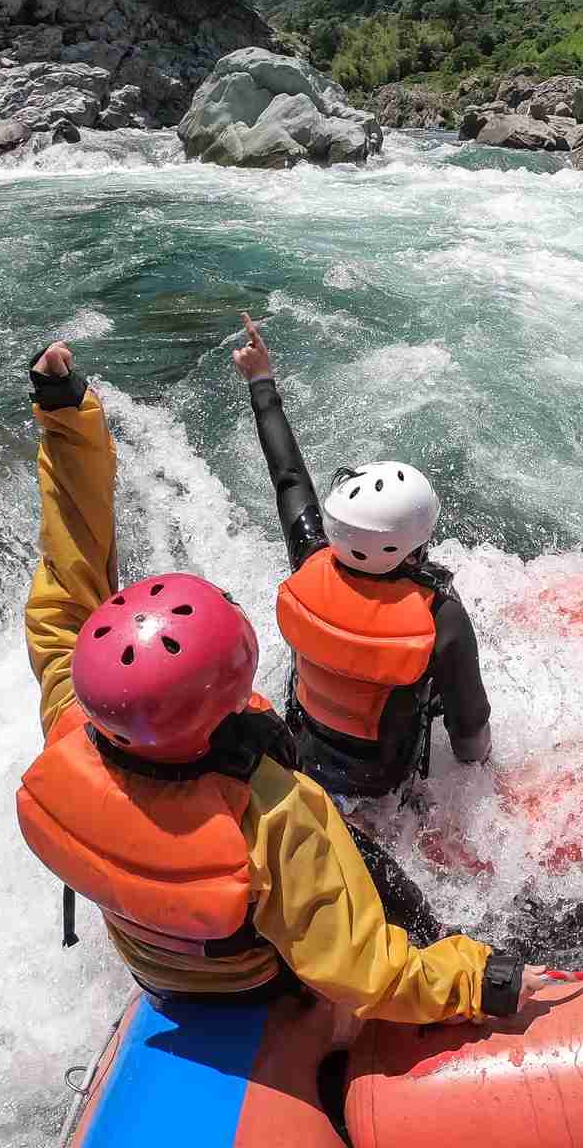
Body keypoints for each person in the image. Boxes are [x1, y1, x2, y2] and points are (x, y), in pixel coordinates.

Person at [14, 340, 539, 1019]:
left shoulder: (73, 719)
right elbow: (361, 969)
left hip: (153, 961)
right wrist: (476, 979)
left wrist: (64, 416)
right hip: (253, 979)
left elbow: (66, 581)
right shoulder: (273, 815)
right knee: (390, 889)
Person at [231, 314, 493, 801]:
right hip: (384, 784)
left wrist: (260, 380)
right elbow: (470, 734)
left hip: (303, 753)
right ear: (415, 546)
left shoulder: (311, 562)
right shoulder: (441, 618)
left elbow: (287, 477)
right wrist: (480, 784)